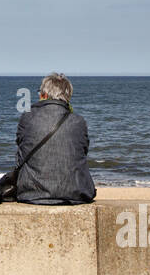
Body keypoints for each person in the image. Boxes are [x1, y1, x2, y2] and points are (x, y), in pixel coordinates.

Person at [15, 73, 96, 204]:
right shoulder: (78, 121)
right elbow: (82, 153)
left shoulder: (27, 118)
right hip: (76, 193)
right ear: (67, 97)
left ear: (44, 95)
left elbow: (20, 156)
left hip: (31, 193)